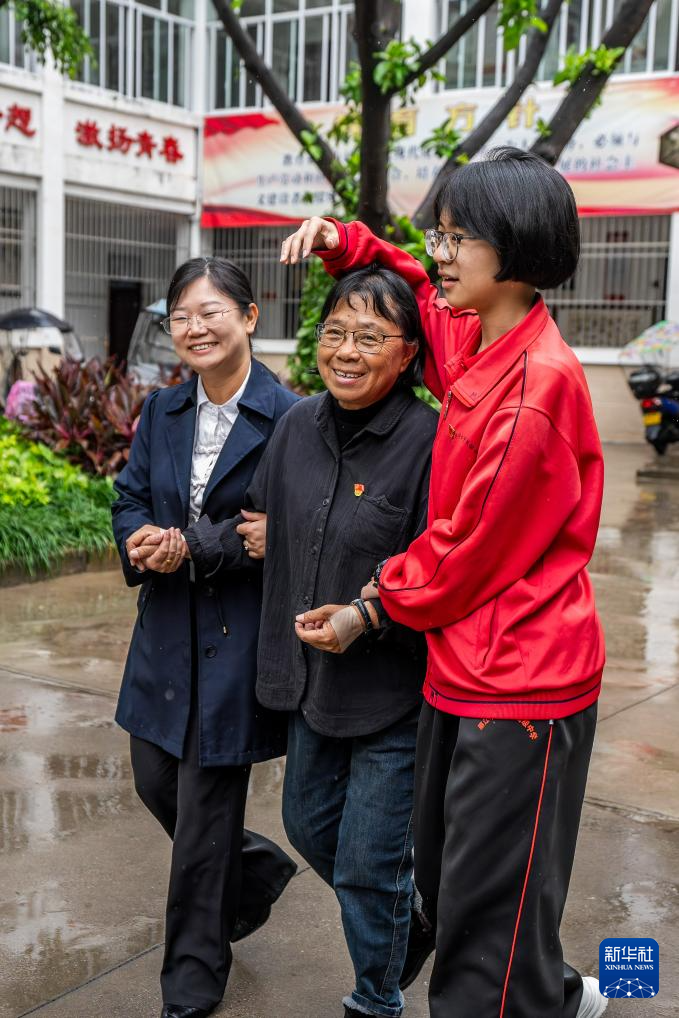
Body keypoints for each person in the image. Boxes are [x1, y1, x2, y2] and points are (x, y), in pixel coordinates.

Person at [282, 148, 608, 1018]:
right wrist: (347, 243)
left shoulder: (535, 388)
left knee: (482, 932)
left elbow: (464, 549)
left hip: (521, 682)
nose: (440, 252)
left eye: (459, 237)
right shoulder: (481, 337)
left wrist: (368, 606)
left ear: (516, 247)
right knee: (462, 888)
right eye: (442, 233)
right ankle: (561, 997)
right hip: (466, 666)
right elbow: (415, 294)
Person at [175, 265, 438, 1018]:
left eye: (370, 337)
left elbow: (439, 563)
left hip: (394, 689)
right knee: (308, 825)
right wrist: (198, 543)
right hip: (309, 684)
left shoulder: (428, 441)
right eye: (334, 333)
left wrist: (368, 610)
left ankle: (374, 999)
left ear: (409, 353)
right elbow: (260, 522)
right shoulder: (296, 426)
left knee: (366, 864)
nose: (346, 351)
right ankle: (408, 921)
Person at [111, 256, 298, 1018]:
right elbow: (129, 496)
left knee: (201, 824)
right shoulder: (162, 411)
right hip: (164, 633)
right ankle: (251, 875)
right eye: (181, 315)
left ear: (248, 318)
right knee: (155, 781)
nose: (194, 328)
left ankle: (190, 984)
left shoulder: (290, 419)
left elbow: (276, 526)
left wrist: (192, 545)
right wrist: (137, 538)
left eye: (211, 311)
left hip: (235, 637)